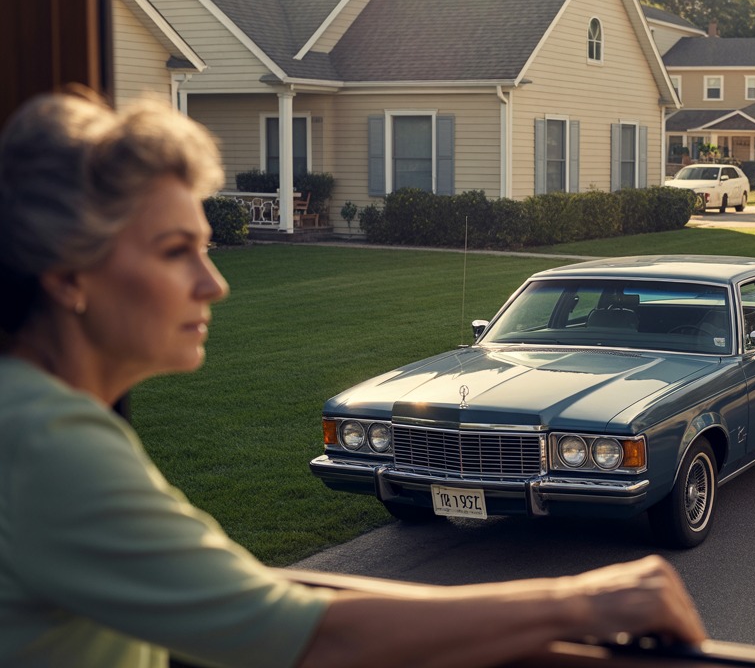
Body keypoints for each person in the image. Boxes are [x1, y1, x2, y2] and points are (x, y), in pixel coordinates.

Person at [0, 90, 706, 668]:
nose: (212, 284)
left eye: (205, 250)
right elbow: (301, 637)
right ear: (69, 276)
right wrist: (587, 602)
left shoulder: (29, 416)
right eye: (174, 252)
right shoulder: (48, 445)